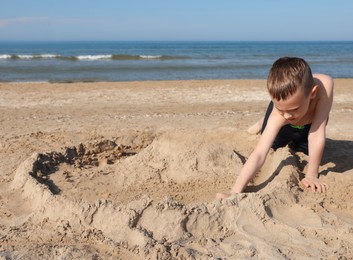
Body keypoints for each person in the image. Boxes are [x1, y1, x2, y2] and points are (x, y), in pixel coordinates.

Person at [217, 57, 334, 198]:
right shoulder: (280, 115)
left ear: (313, 93)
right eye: (280, 109)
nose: (287, 115)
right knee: (274, 144)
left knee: (307, 149)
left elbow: (316, 133)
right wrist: (235, 191)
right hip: (279, 123)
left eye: (294, 109)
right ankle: (262, 122)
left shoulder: (325, 86)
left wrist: (312, 174)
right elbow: (259, 154)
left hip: (308, 123)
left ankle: (289, 123)